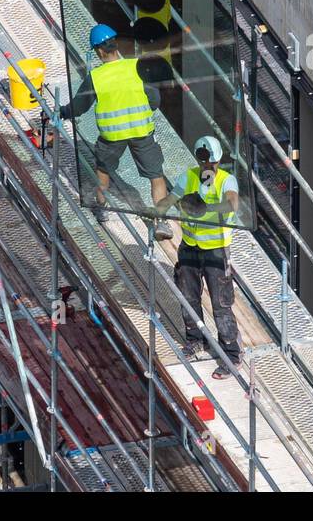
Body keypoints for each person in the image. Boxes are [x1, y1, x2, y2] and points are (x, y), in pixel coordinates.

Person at [60, 22, 172, 236]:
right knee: (156, 176)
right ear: (116, 46)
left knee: (103, 170)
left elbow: (79, 107)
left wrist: (62, 112)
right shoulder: (137, 67)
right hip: (142, 133)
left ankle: (102, 210)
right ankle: (162, 222)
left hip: (112, 137)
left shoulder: (96, 77)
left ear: (99, 51)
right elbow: (155, 100)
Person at [156, 135, 242, 378]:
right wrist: (156, 211)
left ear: (218, 162)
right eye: (205, 163)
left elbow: (233, 204)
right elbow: (171, 199)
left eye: (212, 164)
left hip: (216, 251)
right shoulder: (190, 177)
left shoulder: (227, 180)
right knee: (188, 297)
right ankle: (196, 340)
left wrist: (206, 209)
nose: (208, 168)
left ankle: (232, 354)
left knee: (221, 304)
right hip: (190, 248)